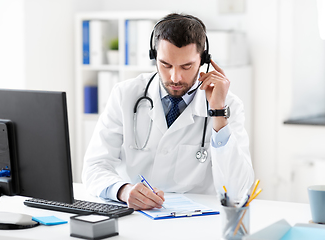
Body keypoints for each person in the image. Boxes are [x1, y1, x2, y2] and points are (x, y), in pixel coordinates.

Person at [82, 13, 254, 210]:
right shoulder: (125, 95)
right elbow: (94, 167)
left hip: (196, 222)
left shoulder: (228, 105)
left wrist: (217, 113)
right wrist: (123, 190)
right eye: (165, 64)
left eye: (187, 66)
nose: (175, 77)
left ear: (204, 60)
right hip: (137, 217)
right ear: (154, 57)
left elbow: (237, 191)